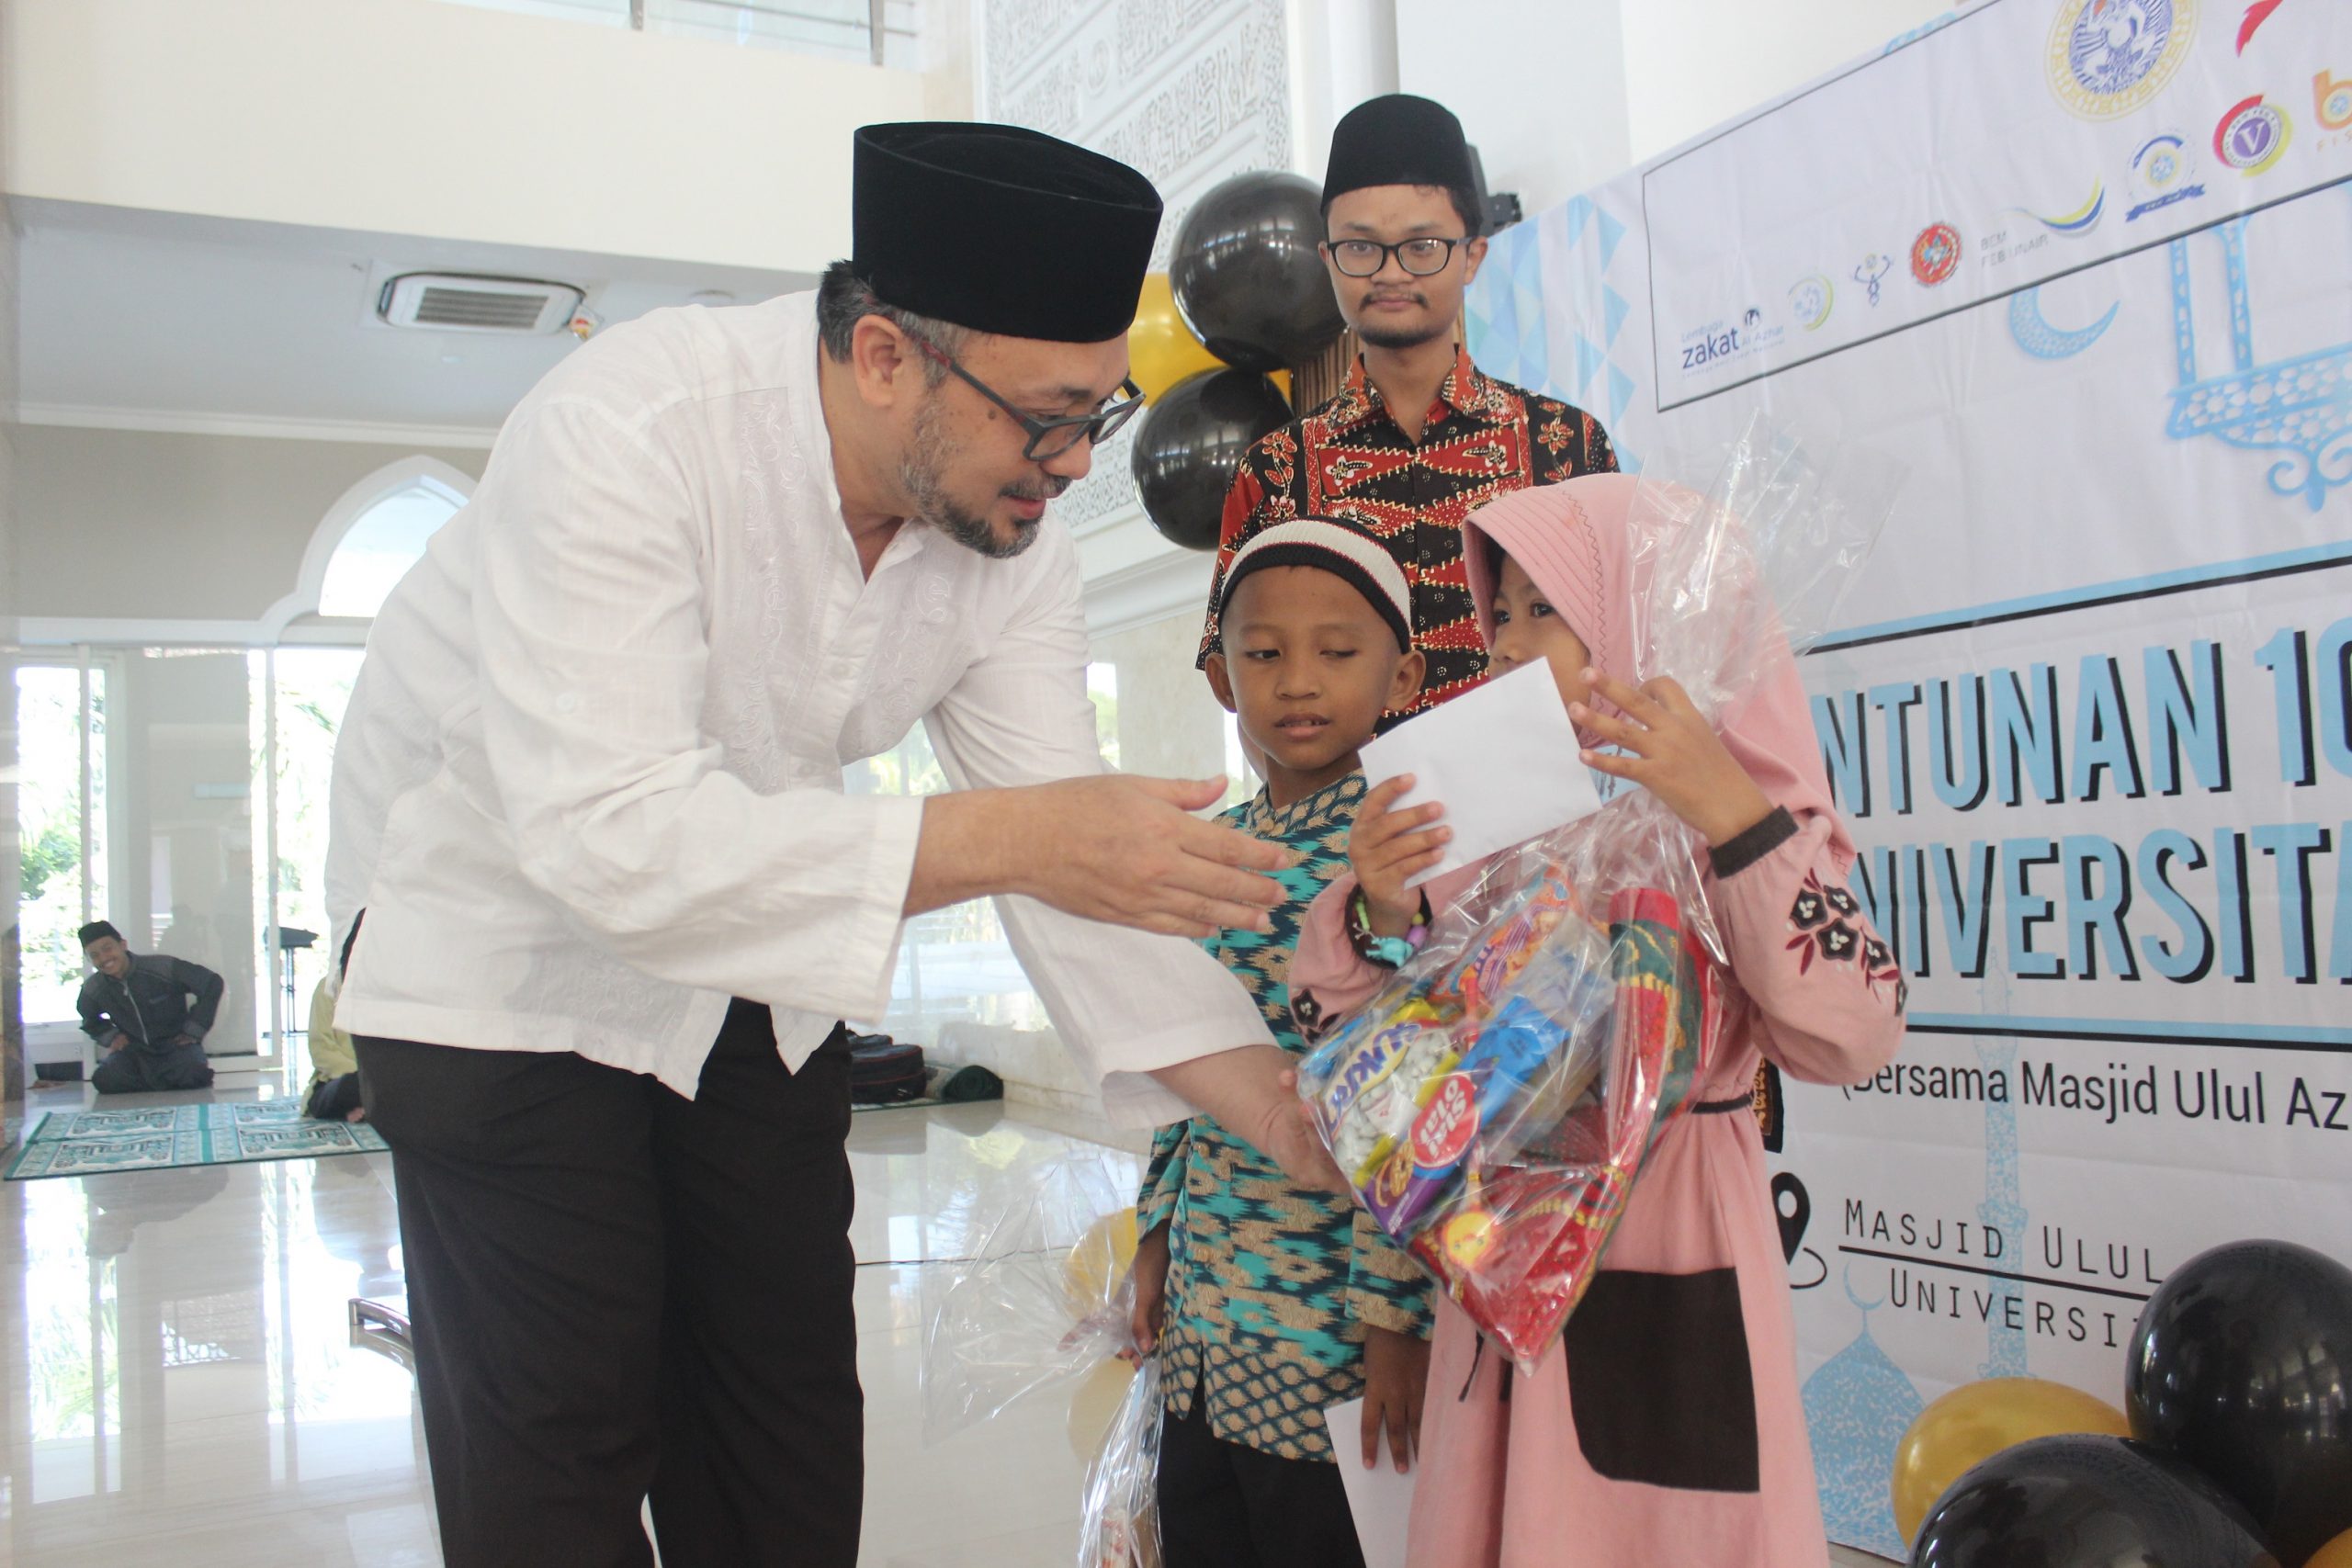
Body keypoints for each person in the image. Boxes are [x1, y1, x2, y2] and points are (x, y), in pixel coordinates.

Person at [323, 120, 1335, 1568]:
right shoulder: (633, 426)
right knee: (560, 1432)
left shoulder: (1008, 527)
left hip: (748, 948)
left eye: (1098, 417)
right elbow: (612, 834)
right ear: (883, 357)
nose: (1069, 465)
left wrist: (1286, 1110)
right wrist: (1014, 836)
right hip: (495, 941)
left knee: (783, 1429)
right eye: (1045, 414)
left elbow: (1070, 856)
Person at [1292, 474, 1908, 1567]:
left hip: (1677, 1248)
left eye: (1549, 612)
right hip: (1501, 1254)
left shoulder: (1748, 822)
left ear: (1654, 624)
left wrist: (1728, 814)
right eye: (1502, 615)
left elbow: (1851, 1033)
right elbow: (1379, 1090)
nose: (1508, 647)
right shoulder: (1486, 833)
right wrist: (1383, 912)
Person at [1129, 519, 1433, 1568]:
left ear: (1404, 673)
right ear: (1222, 677)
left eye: (1337, 652)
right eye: (1263, 653)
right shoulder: (1212, 858)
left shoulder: (1407, 857)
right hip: (1209, 1328)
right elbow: (1184, 1055)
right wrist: (1155, 1236)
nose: (1297, 681)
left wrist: (1398, 1318)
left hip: (1329, 1337)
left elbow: (1416, 1092)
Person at [1199, 93, 1618, 726]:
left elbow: (1618, 638)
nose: (1391, 273)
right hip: (1353, 815)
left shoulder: (1565, 443)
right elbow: (1233, 675)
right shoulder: (1277, 469)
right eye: (1362, 248)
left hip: (1541, 805)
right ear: (1327, 260)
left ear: (1472, 256)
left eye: (1422, 246)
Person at [75, 920, 222, 1094]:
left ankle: (155, 1080)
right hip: (134, 1052)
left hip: (175, 1047)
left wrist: (193, 1031)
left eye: (107, 948)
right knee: (105, 1079)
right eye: (94, 955)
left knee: (194, 1073)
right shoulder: (94, 988)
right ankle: (163, 1080)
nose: (104, 958)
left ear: (122, 945)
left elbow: (211, 983)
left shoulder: (161, 967)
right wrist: (111, 1037)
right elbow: (88, 1018)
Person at [303, 974, 364, 1122]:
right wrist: (363, 1076)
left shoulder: (382, 991)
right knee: (352, 1086)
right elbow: (321, 1051)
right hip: (337, 1081)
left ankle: (364, 1109)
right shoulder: (328, 987)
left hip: (376, 1079)